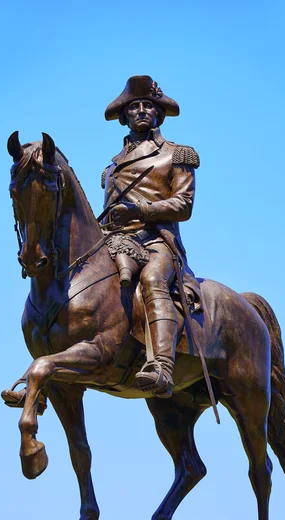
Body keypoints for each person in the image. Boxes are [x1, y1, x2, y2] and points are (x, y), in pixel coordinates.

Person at [102, 75, 200, 398]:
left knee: (153, 279)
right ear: (125, 115)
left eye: (148, 106)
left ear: (157, 114)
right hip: (117, 241)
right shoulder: (112, 168)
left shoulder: (177, 154)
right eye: (135, 106)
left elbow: (183, 205)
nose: (142, 110)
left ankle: (163, 366)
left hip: (158, 242)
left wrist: (140, 211)